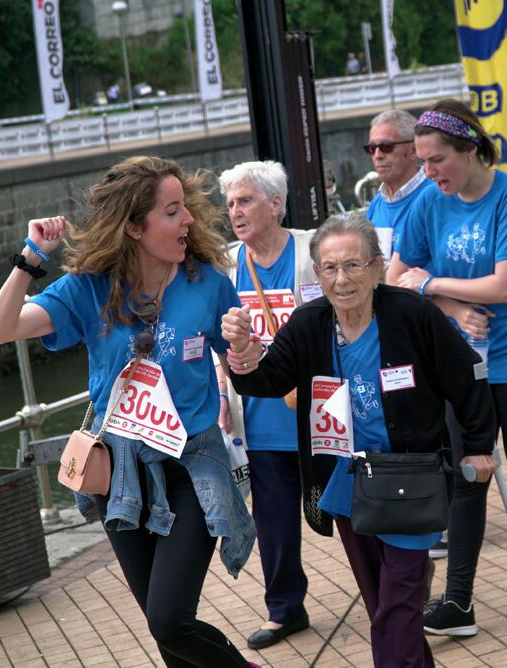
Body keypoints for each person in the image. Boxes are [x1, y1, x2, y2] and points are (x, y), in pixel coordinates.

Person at [0, 156, 259, 668]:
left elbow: (243, 364)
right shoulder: (89, 289)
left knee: (169, 619)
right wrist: (30, 257)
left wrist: (247, 349)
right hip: (120, 471)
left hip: (192, 464)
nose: (189, 221)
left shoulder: (207, 283)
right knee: (169, 637)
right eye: (172, 212)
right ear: (134, 226)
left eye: (186, 208)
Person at [222, 212, 497, 668]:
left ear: (376, 266)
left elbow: (467, 375)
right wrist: (245, 353)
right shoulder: (310, 323)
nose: (341, 279)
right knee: (380, 604)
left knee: (397, 605)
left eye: (353, 265)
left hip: (412, 478)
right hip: (349, 481)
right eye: (329, 268)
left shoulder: (411, 314)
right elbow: (266, 380)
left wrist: (478, 445)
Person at [387, 98, 507, 633]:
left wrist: (433, 285)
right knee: (469, 470)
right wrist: (450, 307)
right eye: (420, 160)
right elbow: (396, 277)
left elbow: (506, 287)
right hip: (464, 364)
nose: (428, 172)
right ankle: (459, 600)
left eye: (437, 159)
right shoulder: (428, 202)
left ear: (469, 149)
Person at [217, 160, 317, 650]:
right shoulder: (224, 263)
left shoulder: (313, 248)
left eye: (246, 200)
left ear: (276, 204)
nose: (235, 211)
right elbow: (215, 336)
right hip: (258, 417)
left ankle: (389, 586)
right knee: (274, 521)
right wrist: (220, 384)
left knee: (351, 508)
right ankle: (284, 610)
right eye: (231, 203)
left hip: (320, 411)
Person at [364, 109, 434, 262]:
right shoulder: (376, 204)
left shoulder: (436, 196)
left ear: (414, 150)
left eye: (386, 146)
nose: (377, 155)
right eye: (372, 148)